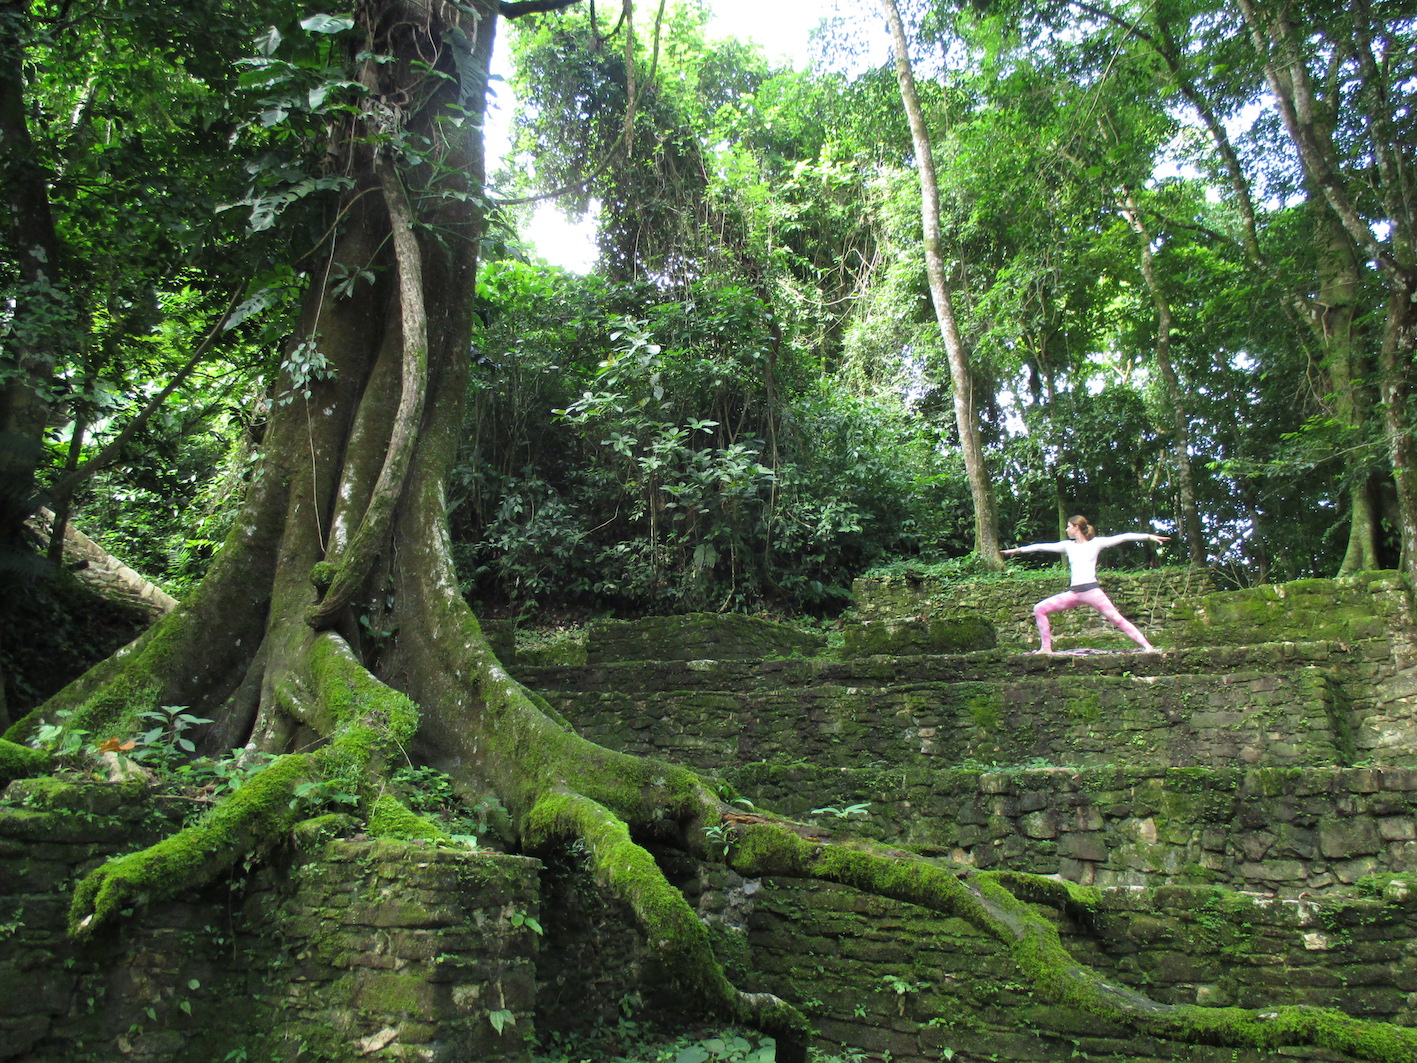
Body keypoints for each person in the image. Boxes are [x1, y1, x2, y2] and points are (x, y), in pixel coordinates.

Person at [1002, 515, 1170, 654]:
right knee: (1039, 608)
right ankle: (1046, 648)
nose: (1066, 529)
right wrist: (1017, 551)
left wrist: (1149, 537)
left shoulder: (1095, 544)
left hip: (1092, 591)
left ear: (1076, 527)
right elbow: (1041, 547)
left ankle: (1148, 647)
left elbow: (1124, 537)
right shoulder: (1067, 546)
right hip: (1074, 593)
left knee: (1117, 619)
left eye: (1069, 526)